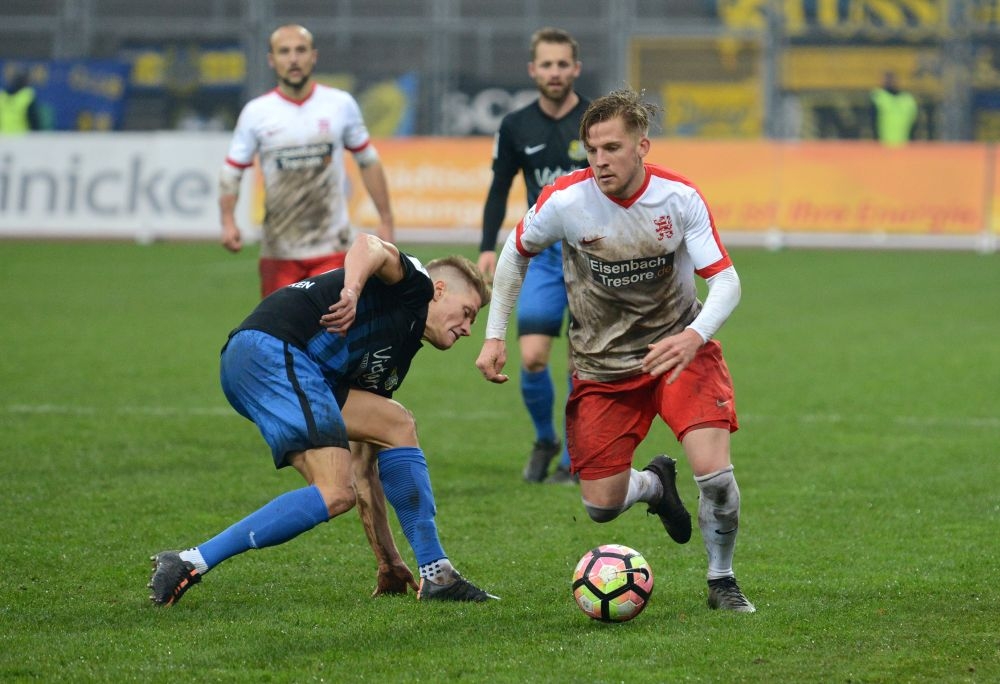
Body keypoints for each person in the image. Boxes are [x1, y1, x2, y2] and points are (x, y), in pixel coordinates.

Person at [476, 87, 755, 612]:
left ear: (642, 147)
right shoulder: (565, 200)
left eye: (612, 148)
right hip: (602, 367)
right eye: (592, 149)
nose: (599, 160)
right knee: (600, 507)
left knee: (716, 477)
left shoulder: (679, 198)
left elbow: (728, 282)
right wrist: (495, 335)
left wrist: (693, 337)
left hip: (679, 354)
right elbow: (515, 255)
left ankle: (722, 580)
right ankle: (654, 486)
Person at [149, 234, 498, 605]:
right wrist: (351, 291)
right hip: (272, 351)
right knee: (334, 490)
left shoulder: (394, 356)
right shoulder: (416, 284)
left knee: (395, 426)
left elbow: (366, 468)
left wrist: (388, 560)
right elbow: (369, 245)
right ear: (440, 290)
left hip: (290, 367)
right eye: (467, 313)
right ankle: (189, 561)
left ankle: (436, 573)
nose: (468, 329)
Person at [477, 27, 589, 484]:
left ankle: (573, 461)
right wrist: (487, 246)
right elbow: (499, 187)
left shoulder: (595, 120)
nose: (555, 72)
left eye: (563, 64)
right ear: (533, 70)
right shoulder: (515, 125)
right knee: (533, 357)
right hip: (543, 257)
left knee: (583, 363)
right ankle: (547, 438)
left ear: (576, 68)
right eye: (547, 64)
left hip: (593, 259)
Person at [218, 24, 395, 298]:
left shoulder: (339, 104)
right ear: (272, 60)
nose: (293, 59)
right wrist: (228, 221)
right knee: (279, 337)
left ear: (314, 56)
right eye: (284, 52)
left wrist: (385, 219)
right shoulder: (257, 112)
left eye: (300, 50)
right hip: (279, 250)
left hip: (333, 249)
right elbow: (232, 171)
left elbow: (368, 160)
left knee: (333, 332)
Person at [871, 71, 917, 146]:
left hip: (904, 145)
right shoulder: (878, 97)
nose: (890, 82)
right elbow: (872, 122)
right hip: (883, 146)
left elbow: (914, 124)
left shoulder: (908, 100)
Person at [0, 69, 42, 134]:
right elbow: (35, 121)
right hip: (22, 139)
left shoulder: (2, 97)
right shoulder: (27, 96)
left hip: (3, 138)